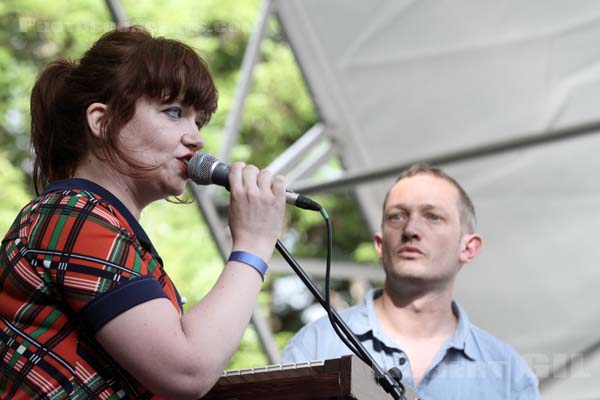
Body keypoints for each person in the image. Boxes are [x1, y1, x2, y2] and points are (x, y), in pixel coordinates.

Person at [0, 26, 286, 399]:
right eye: (173, 112)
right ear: (101, 121)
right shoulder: (73, 214)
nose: (196, 137)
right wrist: (253, 244)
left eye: (198, 121)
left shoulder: (95, 220)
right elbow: (188, 368)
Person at [282, 165, 540, 399]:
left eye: (433, 216)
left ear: (468, 248)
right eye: (397, 216)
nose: (411, 229)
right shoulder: (317, 344)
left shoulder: (509, 375)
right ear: (380, 245)